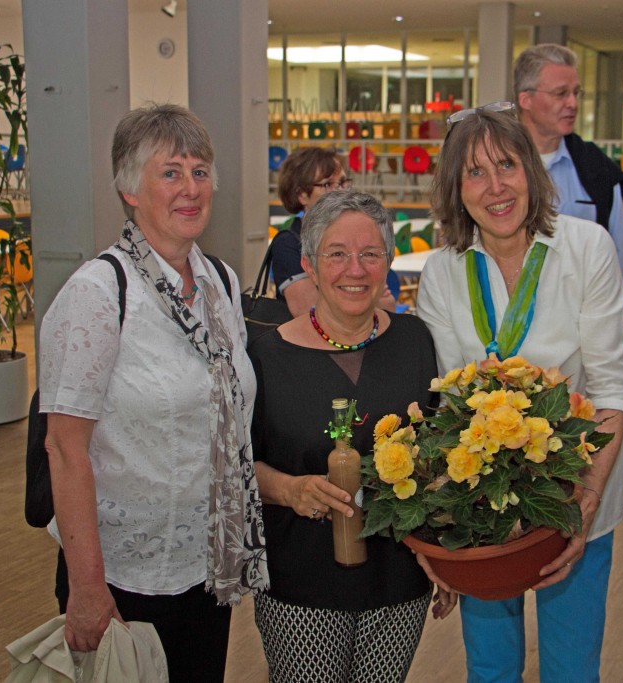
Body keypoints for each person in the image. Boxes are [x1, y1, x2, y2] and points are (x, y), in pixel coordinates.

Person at [40, 103, 269, 682]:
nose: (191, 188)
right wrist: (87, 588)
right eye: (170, 172)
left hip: (204, 566)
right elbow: (65, 449)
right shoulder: (98, 293)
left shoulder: (220, 281)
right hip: (122, 574)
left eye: (199, 171)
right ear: (129, 189)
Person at [416, 104, 623, 682]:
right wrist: (437, 521)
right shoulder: (442, 271)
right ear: (454, 188)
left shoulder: (586, 249)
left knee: (571, 668)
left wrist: (584, 503)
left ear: (532, 172)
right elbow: (445, 403)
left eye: (507, 165)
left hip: (579, 487)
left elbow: (613, 390)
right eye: (475, 172)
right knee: (490, 668)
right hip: (482, 503)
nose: (495, 187)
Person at [249, 190, 456, 682]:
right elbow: (235, 467)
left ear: (388, 262)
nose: (355, 270)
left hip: (398, 582)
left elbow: (438, 459)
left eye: (371, 254)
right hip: (301, 583)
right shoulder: (265, 359)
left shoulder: (416, 342)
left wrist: (446, 551)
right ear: (309, 265)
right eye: (337, 254)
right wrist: (290, 489)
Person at [514, 43, 623, 285]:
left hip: (583, 314)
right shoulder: (493, 165)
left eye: (576, 93)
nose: (573, 104)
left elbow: (620, 251)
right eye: (561, 93)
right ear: (526, 99)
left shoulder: (597, 168)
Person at [273, 146, 398, 316]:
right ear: (301, 194)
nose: (340, 191)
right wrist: (375, 303)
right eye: (328, 184)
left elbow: (387, 306)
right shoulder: (289, 244)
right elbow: (311, 314)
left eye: (343, 183)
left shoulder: (357, 235)